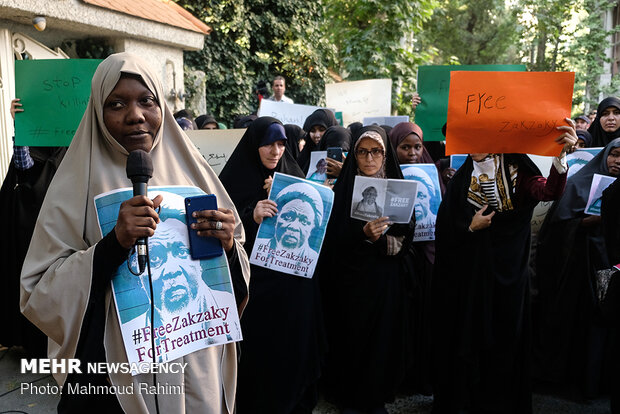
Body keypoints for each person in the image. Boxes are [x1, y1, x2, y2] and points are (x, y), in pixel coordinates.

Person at [20, 53, 250, 413]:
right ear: (98, 111)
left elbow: (235, 271)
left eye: (147, 101)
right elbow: (40, 290)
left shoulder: (194, 172)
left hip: (194, 363)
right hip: (115, 378)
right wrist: (113, 244)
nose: (135, 115)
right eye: (116, 103)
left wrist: (228, 246)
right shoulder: (75, 183)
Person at [431, 119, 577, 414]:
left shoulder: (517, 171)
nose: (471, 147)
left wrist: (561, 158)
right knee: (470, 334)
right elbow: (446, 225)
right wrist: (469, 227)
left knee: (505, 335)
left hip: (508, 270)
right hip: (471, 275)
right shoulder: (463, 176)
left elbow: (547, 192)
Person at [219, 117, 325, 414]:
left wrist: (283, 194)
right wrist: (251, 214)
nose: (275, 150)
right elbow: (223, 225)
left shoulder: (294, 176)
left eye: (281, 143)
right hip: (257, 289)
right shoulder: (234, 180)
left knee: (294, 347)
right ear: (254, 145)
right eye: (268, 143)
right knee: (262, 351)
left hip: (294, 288)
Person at [320, 126, 416, 414]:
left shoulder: (397, 185)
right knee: (351, 337)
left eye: (376, 151)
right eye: (363, 152)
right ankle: (350, 397)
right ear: (355, 156)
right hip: (349, 281)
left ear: (385, 155)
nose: (369, 158)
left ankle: (375, 397)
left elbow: (406, 235)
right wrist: (361, 234)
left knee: (381, 339)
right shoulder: (343, 190)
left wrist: (381, 240)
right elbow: (331, 238)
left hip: (384, 280)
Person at [534, 138, 620, 399]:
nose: (618, 162)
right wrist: (589, 221)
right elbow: (557, 227)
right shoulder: (580, 183)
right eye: (615, 155)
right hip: (579, 269)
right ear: (605, 155)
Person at [121, 191, 240, 353]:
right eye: (155, 258)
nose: (172, 270)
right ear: (137, 270)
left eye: (181, 251)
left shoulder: (229, 311)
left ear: (200, 262)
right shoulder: (127, 335)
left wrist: (230, 245)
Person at [0, 99, 67, 357]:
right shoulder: (38, 142)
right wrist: (22, 124)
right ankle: (36, 343)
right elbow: (25, 168)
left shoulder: (76, 144)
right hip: (33, 227)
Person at [254, 183, 324, 277]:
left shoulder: (315, 260)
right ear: (276, 219)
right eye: (287, 217)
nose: (293, 227)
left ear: (312, 227)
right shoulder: (258, 245)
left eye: (304, 221)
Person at [297, 109, 339, 174]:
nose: (317, 135)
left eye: (322, 130)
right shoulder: (304, 157)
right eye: (312, 131)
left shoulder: (340, 157)